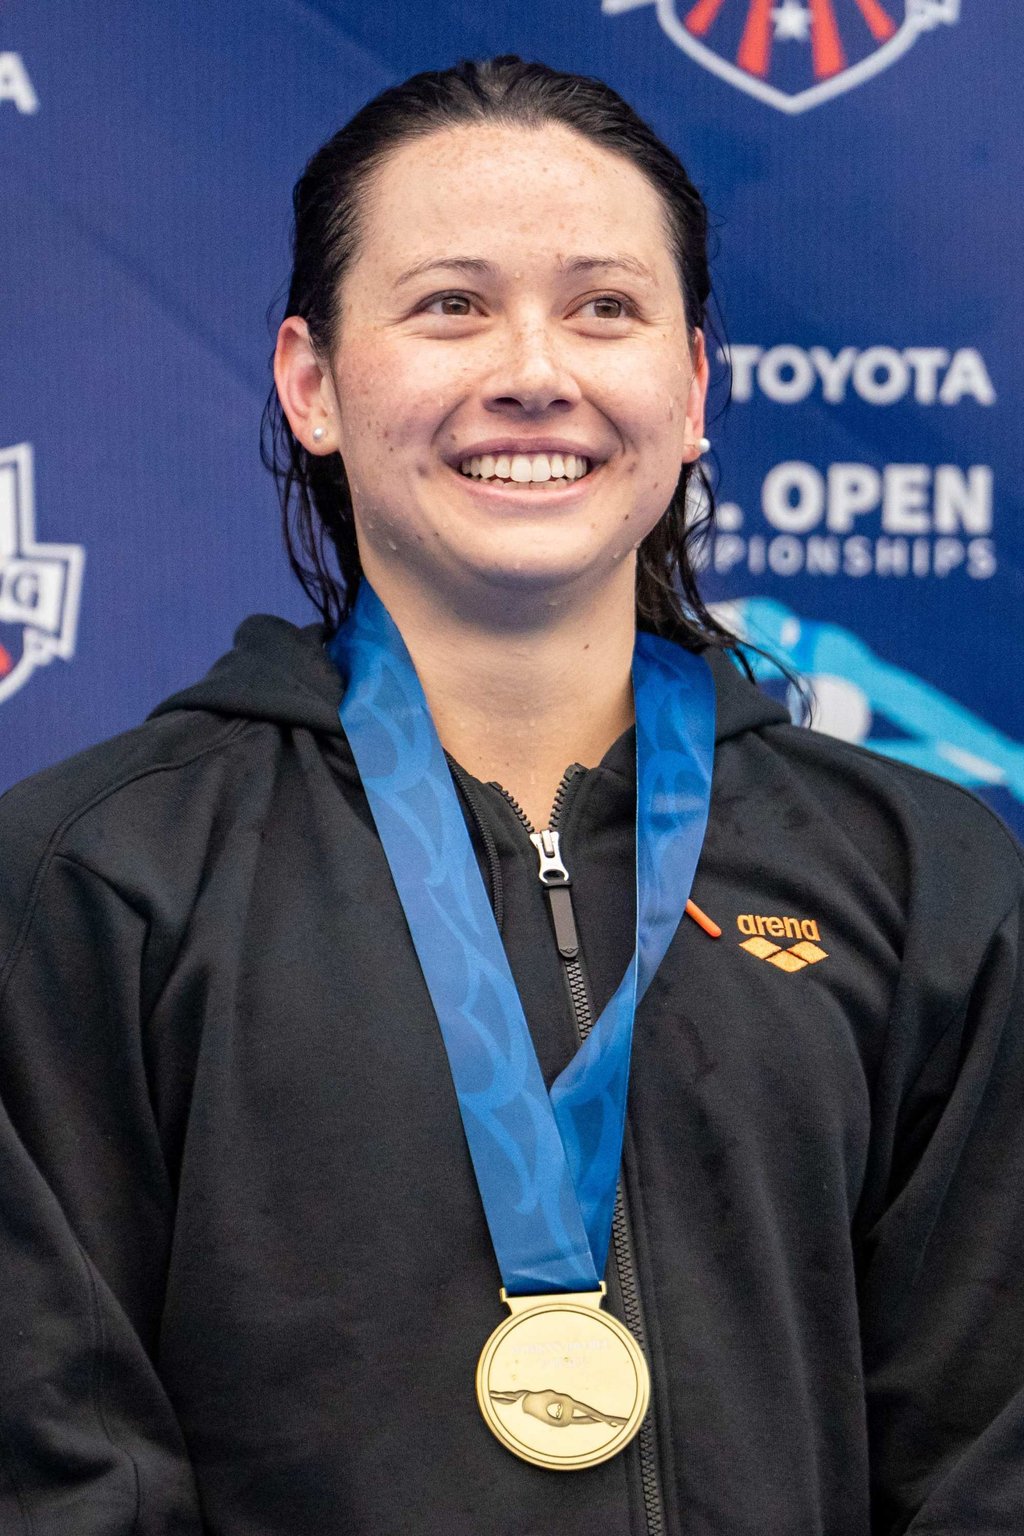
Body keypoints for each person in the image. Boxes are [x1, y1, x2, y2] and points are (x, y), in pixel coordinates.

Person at [0, 54, 1021, 1536]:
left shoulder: (929, 880)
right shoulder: (90, 884)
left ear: (689, 392)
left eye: (604, 307)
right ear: (313, 385)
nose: (534, 367)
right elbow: (54, 1471)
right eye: (450, 306)